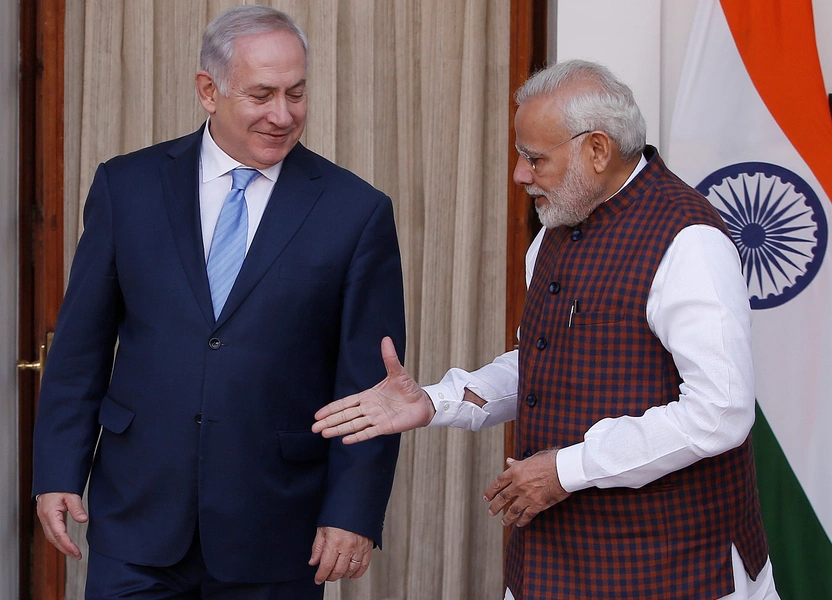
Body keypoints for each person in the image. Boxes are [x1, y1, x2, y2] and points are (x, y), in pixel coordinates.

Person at [313, 60, 779, 600]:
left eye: (535, 158)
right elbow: (545, 360)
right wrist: (436, 402)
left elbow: (720, 412)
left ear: (597, 150)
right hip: (551, 565)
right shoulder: (554, 231)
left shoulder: (689, 241)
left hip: (674, 568)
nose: (519, 174)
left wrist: (567, 468)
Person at [32, 6, 405, 599]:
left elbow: (371, 388)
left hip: (275, 527)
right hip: (137, 516)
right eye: (261, 94)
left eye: (296, 94)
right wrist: (57, 470)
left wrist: (353, 511)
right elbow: (82, 345)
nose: (282, 115)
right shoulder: (126, 188)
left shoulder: (355, 212)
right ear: (208, 90)